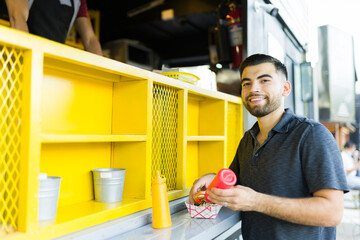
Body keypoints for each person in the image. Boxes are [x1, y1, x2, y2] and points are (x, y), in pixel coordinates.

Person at [189, 54, 348, 240]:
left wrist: (256, 201)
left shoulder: (311, 134)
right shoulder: (248, 139)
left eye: (264, 80)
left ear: (285, 88)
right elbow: (235, 183)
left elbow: (332, 213)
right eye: (246, 83)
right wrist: (212, 178)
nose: (253, 89)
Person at [4, 0, 102, 55]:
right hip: (25, 59)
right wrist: (28, 59)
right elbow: (17, 17)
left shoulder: (79, 1)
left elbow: (90, 40)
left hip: (54, 64)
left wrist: (102, 74)